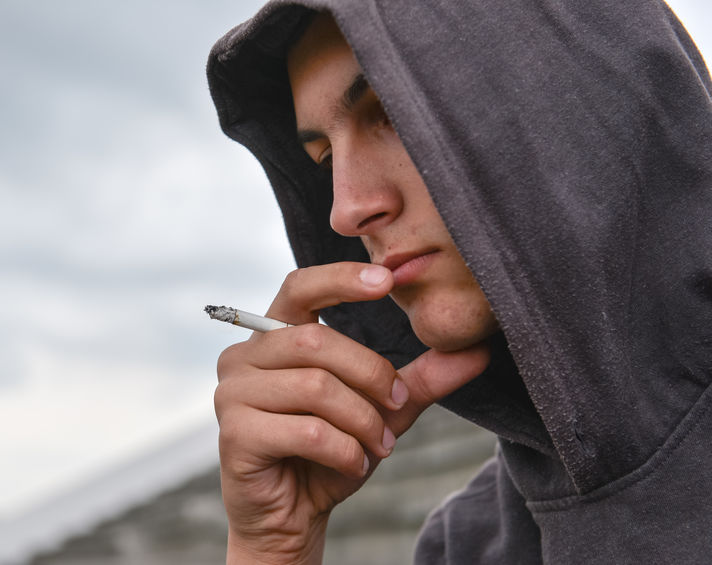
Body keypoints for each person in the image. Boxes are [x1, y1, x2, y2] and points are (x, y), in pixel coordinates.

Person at [206, 1, 712, 563]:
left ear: (573, 96)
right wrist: (273, 547)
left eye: (394, 113)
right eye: (325, 161)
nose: (345, 211)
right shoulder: (462, 547)